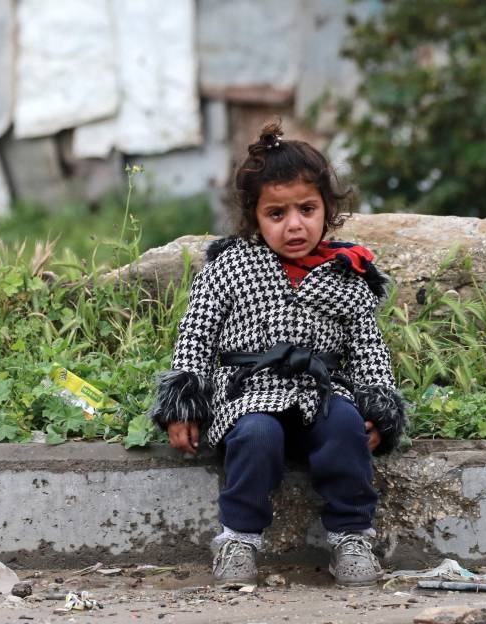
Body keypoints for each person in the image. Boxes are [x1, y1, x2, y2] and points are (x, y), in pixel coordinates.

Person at [149, 122, 407, 587]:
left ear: (327, 208)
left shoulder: (348, 274)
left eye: (307, 209)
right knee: (256, 436)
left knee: (346, 429)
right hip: (249, 394)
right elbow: (198, 335)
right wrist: (183, 404)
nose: (294, 225)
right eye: (276, 214)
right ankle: (238, 540)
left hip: (321, 394)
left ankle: (351, 537)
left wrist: (378, 408)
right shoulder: (230, 266)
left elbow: (368, 346)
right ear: (254, 217)